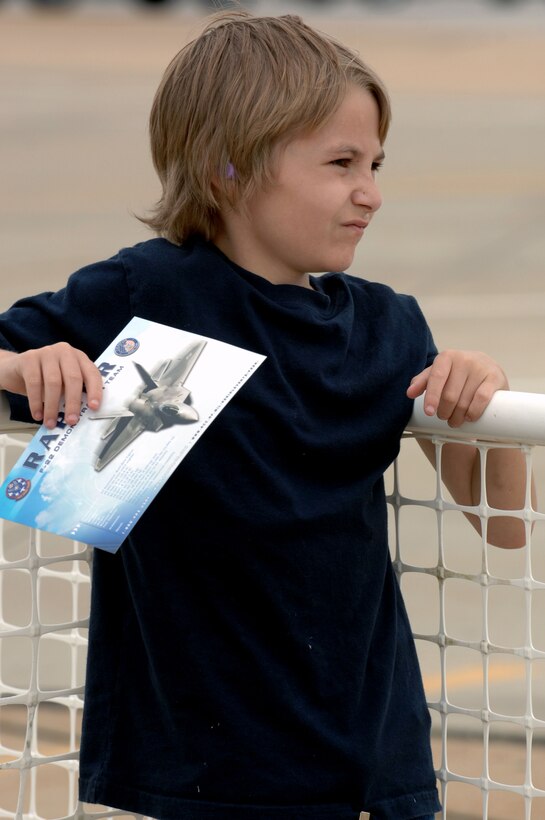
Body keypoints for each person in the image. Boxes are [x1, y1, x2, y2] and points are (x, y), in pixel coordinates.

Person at [0, 10, 529, 820]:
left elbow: (503, 524)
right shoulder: (149, 296)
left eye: (376, 164)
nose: (370, 193)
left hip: (372, 762)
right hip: (201, 769)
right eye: (341, 163)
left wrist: (480, 386)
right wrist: (26, 363)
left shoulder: (390, 328)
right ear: (229, 171)